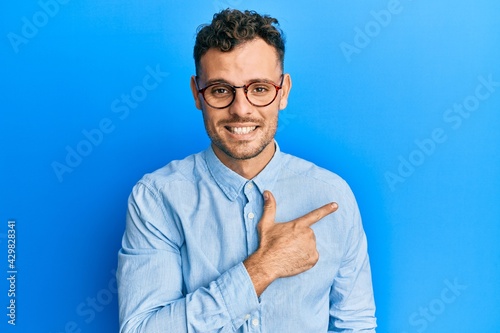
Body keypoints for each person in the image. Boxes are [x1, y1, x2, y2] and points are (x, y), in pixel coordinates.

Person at [117, 9, 376, 332]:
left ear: (283, 92)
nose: (241, 109)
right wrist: (262, 268)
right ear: (197, 94)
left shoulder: (331, 195)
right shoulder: (157, 198)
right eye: (221, 90)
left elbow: (357, 323)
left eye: (259, 89)